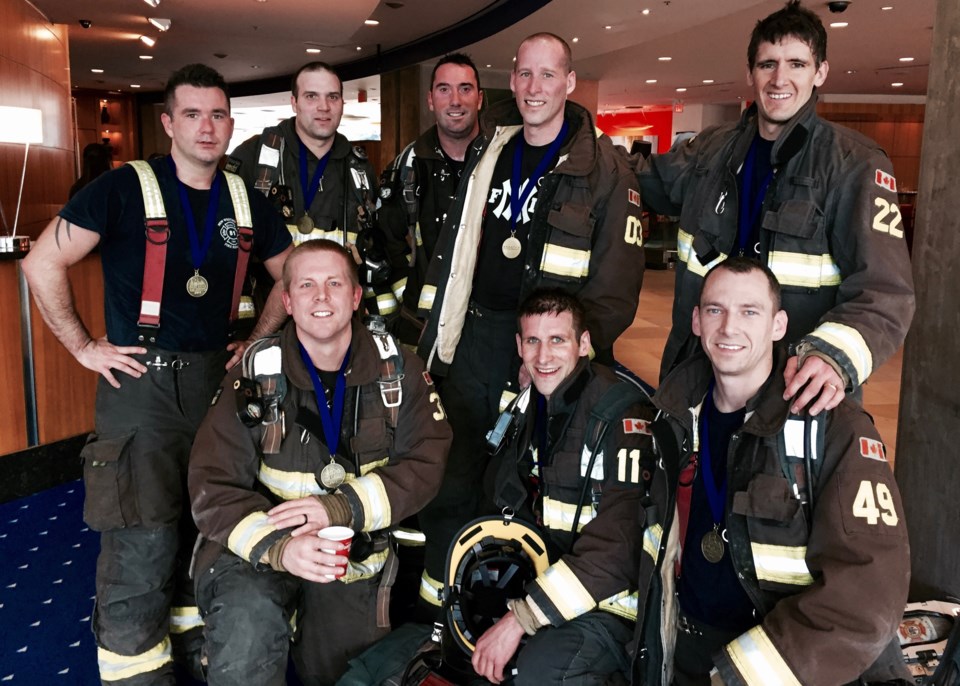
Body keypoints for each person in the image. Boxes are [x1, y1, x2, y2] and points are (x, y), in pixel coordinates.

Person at [21, 64, 293, 684]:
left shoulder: (246, 196)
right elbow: (42, 263)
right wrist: (85, 346)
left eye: (219, 114)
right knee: (140, 537)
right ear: (168, 122)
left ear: (231, 123)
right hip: (139, 386)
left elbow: (291, 274)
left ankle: (198, 649)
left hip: (218, 387)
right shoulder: (121, 188)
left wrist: (255, 341)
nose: (207, 126)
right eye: (192, 114)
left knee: (213, 524)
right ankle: (134, 669)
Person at [415, 32, 645, 610]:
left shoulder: (608, 171)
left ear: (569, 83)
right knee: (454, 476)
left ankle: (509, 609)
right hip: (474, 341)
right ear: (512, 80)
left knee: (524, 487)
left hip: (548, 360)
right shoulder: (488, 150)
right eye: (524, 75)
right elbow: (452, 255)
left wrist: (554, 362)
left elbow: (615, 292)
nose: (534, 88)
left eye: (549, 76)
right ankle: (440, 615)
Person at [631, 257, 910, 685]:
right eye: (715, 310)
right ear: (696, 321)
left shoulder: (834, 428)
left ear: (779, 325)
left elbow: (866, 595)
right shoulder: (670, 416)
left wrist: (743, 675)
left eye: (749, 312)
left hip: (783, 667)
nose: (728, 328)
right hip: (687, 650)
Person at [188, 239, 452, 685]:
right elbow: (211, 482)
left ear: (355, 297)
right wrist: (281, 548)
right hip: (262, 547)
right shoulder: (256, 370)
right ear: (287, 301)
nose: (321, 296)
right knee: (247, 634)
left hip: (350, 548)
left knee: (352, 675)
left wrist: (340, 508)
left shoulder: (399, 368)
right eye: (306, 285)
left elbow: (426, 460)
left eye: (334, 283)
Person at [637, 0, 914, 417]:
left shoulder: (854, 164)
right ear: (751, 73)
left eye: (797, 64)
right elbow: (642, 178)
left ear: (820, 72)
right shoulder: (713, 149)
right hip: (698, 374)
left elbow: (885, 291)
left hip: (793, 390)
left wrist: (833, 357)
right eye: (767, 64)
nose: (779, 78)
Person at [469, 288, 653, 685]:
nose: (543, 356)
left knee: (539, 671)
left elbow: (618, 551)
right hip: (549, 585)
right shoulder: (529, 404)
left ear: (583, 343)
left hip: (613, 606)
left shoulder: (620, 415)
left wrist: (522, 617)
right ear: (519, 346)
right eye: (533, 341)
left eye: (557, 340)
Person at [227, 62, 391, 315]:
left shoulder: (359, 167)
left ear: (341, 104)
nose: (323, 107)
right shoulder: (254, 157)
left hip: (336, 317)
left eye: (332, 97)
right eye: (311, 96)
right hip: (270, 314)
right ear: (294, 103)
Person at [378, 52, 483, 346]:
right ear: (430, 100)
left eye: (465, 88)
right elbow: (389, 246)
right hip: (422, 331)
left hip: (486, 330)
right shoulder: (405, 168)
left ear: (480, 99)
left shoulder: (502, 162)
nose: (455, 100)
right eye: (444, 89)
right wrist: (410, 309)